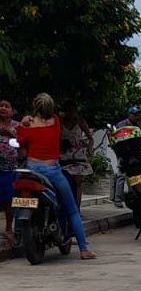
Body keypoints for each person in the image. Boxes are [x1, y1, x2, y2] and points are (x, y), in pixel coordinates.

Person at [17, 93, 96, 259]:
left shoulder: (27, 125)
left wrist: (25, 122)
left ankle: (18, 239)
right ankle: (83, 249)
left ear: (34, 106)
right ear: (51, 108)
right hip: (52, 170)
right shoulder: (55, 122)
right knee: (72, 209)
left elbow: (21, 145)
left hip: (31, 169)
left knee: (19, 203)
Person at [60, 100, 93, 211]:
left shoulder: (80, 122)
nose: (70, 113)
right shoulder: (60, 122)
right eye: (68, 110)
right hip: (63, 155)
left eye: (72, 110)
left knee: (78, 182)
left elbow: (90, 138)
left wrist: (89, 148)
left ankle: (77, 209)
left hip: (77, 156)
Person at [111, 106, 141, 207]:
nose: (137, 117)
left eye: (138, 115)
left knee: (135, 177)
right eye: (135, 115)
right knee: (121, 176)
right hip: (124, 154)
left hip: (134, 155)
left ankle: (134, 199)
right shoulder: (122, 125)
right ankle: (118, 199)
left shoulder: (137, 125)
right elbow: (116, 139)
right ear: (129, 115)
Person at [0, 100, 19, 246]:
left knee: (9, 201)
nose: (3, 108)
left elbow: (22, 142)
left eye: (7, 106)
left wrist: (8, 132)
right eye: (1, 105)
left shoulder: (17, 126)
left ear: (11, 110)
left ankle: (8, 229)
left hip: (10, 168)